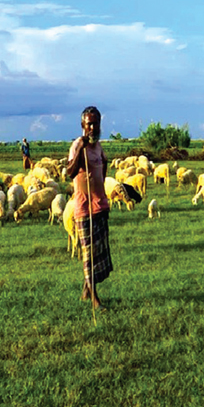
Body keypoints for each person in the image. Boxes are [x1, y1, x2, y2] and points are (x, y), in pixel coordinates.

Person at [66, 106, 112, 311]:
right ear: (83, 125)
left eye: (96, 124)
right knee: (88, 255)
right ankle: (95, 301)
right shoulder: (78, 145)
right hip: (84, 209)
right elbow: (70, 172)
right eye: (89, 124)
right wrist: (81, 150)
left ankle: (87, 289)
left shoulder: (99, 146)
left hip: (100, 205)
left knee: (99, 252)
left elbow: (103, 164)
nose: (92, 128)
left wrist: (101, 190)